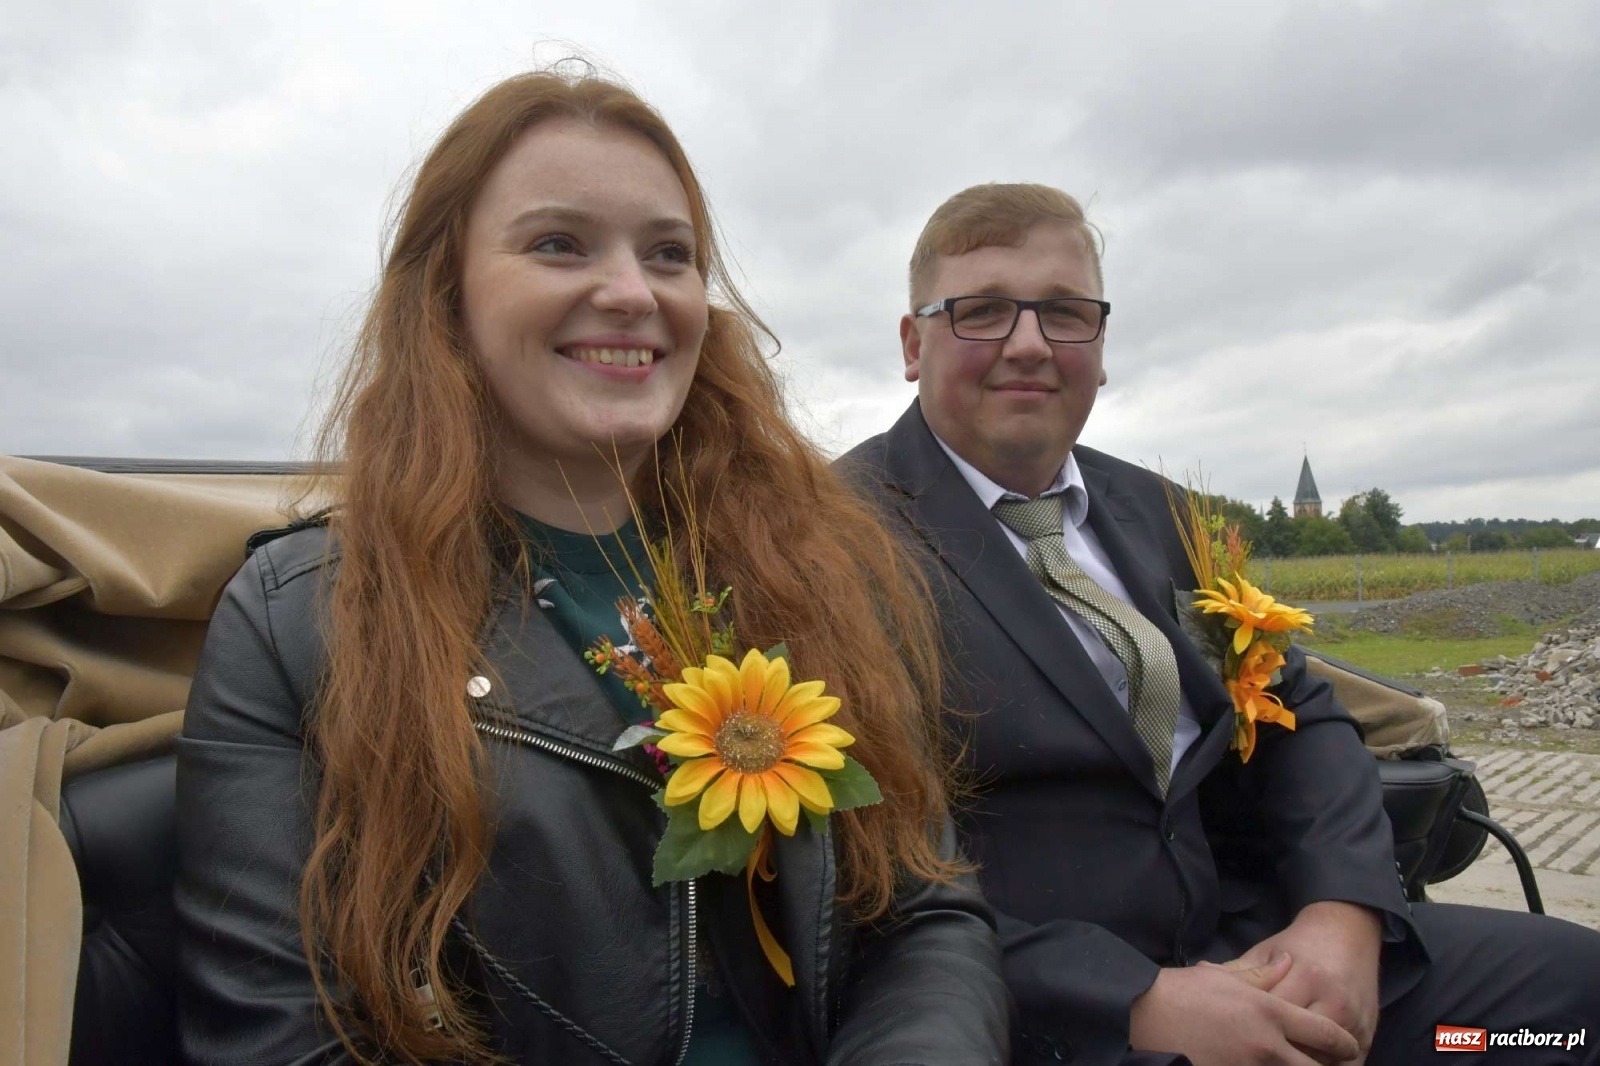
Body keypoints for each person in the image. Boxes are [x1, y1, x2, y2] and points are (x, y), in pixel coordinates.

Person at [173, 71, 1009, 1066]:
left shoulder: (812, 568)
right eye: (558, 243)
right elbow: (282, 1042)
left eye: (669, 254)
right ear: (444, 294)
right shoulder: (296, 623)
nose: (631, 292)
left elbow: (925, 912)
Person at [840, 182, 1600, 1066]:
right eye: (982, 312)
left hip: (1265, 952)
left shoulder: (1165, 515)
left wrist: (1344, 914)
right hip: (1052, 1019)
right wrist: (1135, 1003)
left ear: (1101, 341)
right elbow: (855, 876)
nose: (1029, 344)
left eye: (1065, 312)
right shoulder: (828, 544)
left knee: (1563, 1005)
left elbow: (1297, 713)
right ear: (911, 342)